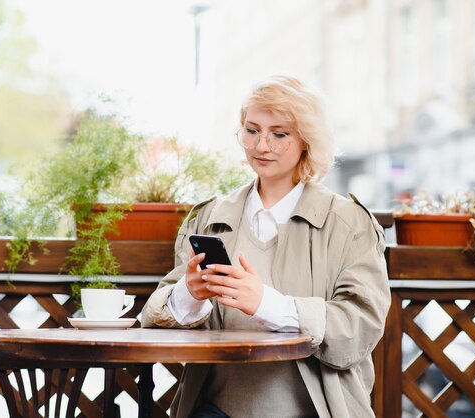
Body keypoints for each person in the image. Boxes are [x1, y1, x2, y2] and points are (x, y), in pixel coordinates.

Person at [141, 75, 391, 418]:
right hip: (215, 409)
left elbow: (360, 327)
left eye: (280, 133)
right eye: (252, 129)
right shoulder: (209, 217)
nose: (261, 146)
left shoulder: (349, 223)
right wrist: (189, 294)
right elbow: (155, 321)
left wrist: (266, 303)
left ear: (307, 140)